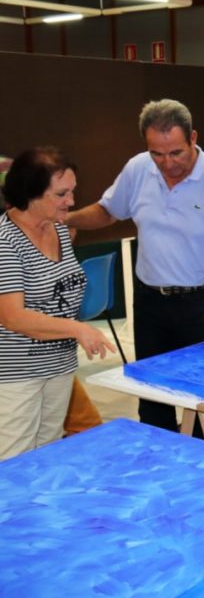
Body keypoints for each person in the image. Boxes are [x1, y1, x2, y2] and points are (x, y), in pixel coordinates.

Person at [66, 99, 204, 443]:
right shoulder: (137, 169)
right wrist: (68, 219)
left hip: (202, 304)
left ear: (193, 137)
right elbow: (108, 211)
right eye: (157, 154)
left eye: (176, 152)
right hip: (150, 302)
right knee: (151, 394)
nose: (168, 164)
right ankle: (158, 468)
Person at [0, 147, 116, 460]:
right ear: (31, 194)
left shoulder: (60, 230)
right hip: (16, 374)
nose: (72, 201)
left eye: (72, 191)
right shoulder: (5, 241)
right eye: (61, 194)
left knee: (49, 453)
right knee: (15, 462)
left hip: (59, 367)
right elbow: (13, 317)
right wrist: (76, 328)